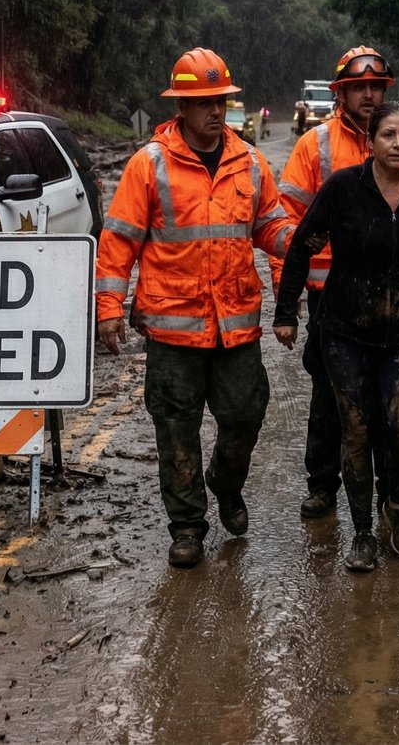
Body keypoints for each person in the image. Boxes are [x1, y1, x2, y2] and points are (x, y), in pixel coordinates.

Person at [95, 48, 296, 570]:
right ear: (180, 105)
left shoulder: (249, 161)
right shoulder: (150, 164)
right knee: (176, 428)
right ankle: (187, 525)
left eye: (220, 101)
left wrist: (297, 244)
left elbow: (269, 224)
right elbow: (118, 240)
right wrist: (109, 305)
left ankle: (226, 485)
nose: (214, 111)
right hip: (173, 331)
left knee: (245, 417)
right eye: (202, 102)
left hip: (236, 327)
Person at [273, 102, 399, 573]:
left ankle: (398, 500)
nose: (397, 144)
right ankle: (363, 531)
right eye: (388, 135)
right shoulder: (344, 188)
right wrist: (287, 311)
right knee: (357, 431)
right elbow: (302, 245)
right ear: (371, 141)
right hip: (343, 331)